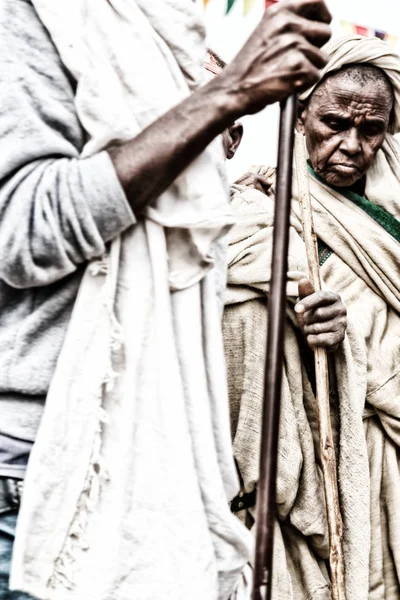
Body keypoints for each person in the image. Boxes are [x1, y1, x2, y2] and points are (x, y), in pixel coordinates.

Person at [0, 1, 332, 599]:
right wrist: (228, 93)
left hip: (155, 461)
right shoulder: (30, 17)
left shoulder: (160, 37)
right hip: (40, 472)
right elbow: (23, 233)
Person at [223, 34, 400, 599]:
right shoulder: (258, 211)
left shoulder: (391, 215)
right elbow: (225, 301)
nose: (352, 145)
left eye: (370, 130)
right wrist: (296, 321)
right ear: (300, 119)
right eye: (334, 124)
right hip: (310, 439)